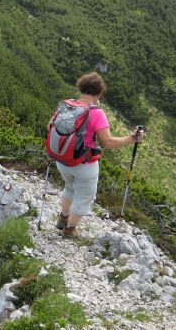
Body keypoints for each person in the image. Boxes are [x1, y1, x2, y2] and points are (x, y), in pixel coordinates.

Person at [53, 72, 145, 238]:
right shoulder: (97, 113)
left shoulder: (67, 105)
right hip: (84, 165)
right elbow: (107, 142)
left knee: (70, 188)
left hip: (62, 160)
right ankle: (70, 230)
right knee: (84, 197)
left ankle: (63, 218)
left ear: (81, 87)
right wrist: (133, 138)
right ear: (100, 93)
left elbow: (50, 127)